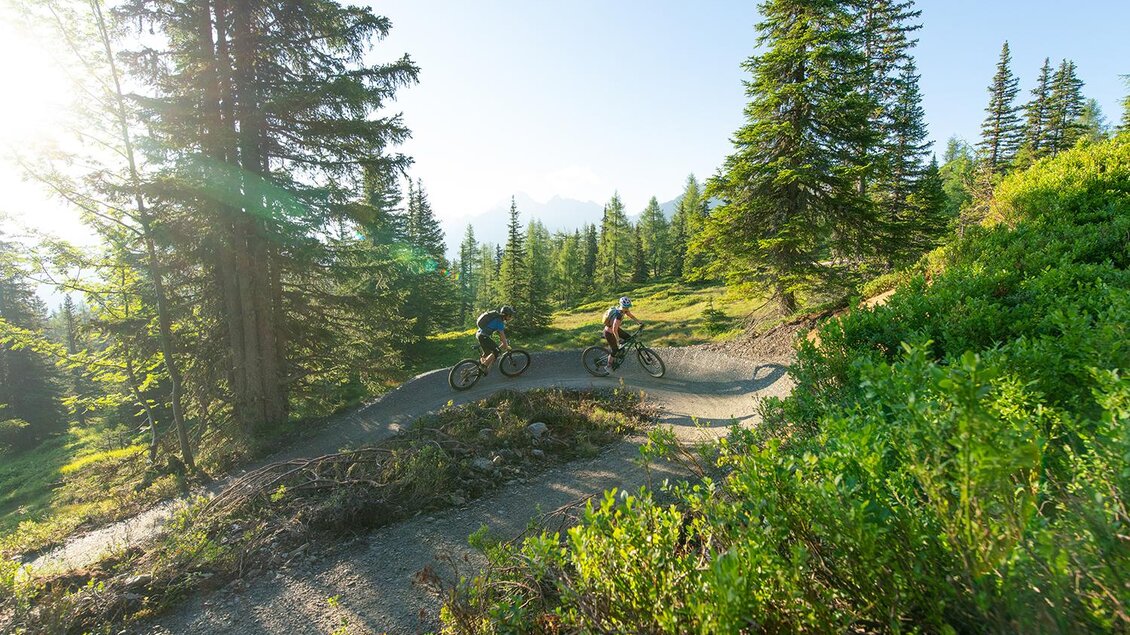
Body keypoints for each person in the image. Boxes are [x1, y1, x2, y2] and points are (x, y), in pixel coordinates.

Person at [602, 296, 640, 368]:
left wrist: (639, 322)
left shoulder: (624, 310)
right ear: (622, 306)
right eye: (626, 307)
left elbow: (631, 316)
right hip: (609, 333)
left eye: (628, 307)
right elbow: (614, 330)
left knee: (629, 338)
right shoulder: (618, 316)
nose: (627, 308)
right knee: (615, 350)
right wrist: (618, 340)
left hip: (616, 330)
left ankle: (620, 354)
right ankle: (609, 365)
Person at [476, 305, 516, 372]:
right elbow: (502, 335)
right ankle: (483, 366)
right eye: (510, 316)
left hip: (479, 334)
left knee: (487, 353)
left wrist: (503, 341)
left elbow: (500, 336)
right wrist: (506, 346)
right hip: (483, 336)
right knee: (497, 351)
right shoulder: (499, 321)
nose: (511, 317)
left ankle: (480, 368)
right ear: (506, 315)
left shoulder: (496, 318)